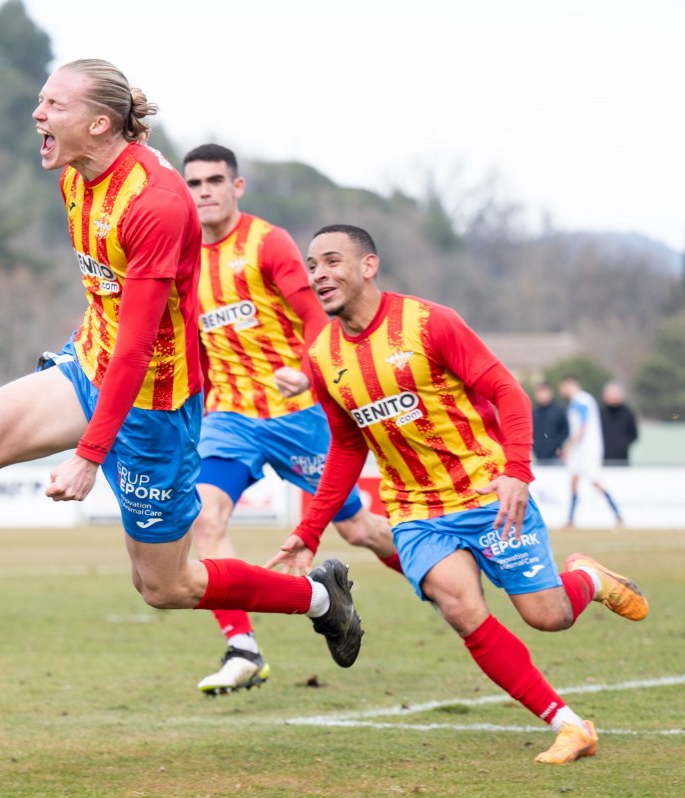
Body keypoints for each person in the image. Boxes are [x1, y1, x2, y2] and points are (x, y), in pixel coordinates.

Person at [0, 59, 362, 690]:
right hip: (90, 364)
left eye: (54, 105)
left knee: (166, 586)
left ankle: (321, 599)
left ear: (100, 124)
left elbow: (137, 349)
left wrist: (88, 454)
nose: (37, 114)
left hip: (152, 404)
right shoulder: (76, 174)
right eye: (41, 101)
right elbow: (112, 319)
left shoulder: (156, 205)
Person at [268, 224, 649, 765]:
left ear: (369, 265)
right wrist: (307, 532)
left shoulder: (429, 323)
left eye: (332, 261)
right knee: (460, 607)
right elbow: (347, 448)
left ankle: (588, 578)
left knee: (547, 615)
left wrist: (517, 469)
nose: (319, 275)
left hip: (487, 492)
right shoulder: (323, 356)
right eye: (312, 265)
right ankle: (568, 725)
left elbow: (506, 391)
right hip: (416, 512)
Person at [183, 144, 399, 695]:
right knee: (204, 521)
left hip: (298, 415)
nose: (203, 190)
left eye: (214, 180)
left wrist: (307, 373)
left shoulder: (267, 242)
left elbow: (314, 317)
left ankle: (443, 574)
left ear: (237, 187)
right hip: (229, 416)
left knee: (359, 529)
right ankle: (243, 648)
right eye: (194, 183)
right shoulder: (183, 257)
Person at [558, 376, 623, 528]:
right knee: (573, 481)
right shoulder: (579, 401)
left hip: (586, 449)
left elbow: (582, 426)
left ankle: (618, 515)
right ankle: (570, 520)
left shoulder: (581, 400)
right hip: (581, 449)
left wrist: (568, 447)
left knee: (595, 481)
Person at [600, 381, 639, 465]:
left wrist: (622, 445)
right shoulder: (599, 414)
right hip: (602, 459)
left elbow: (633, 435)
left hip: (622, 458)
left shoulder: (628, 414)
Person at [531, 383, 569, 465]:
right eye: (540, 393)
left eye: (545, 393)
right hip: (536, 457)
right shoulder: (532, 412)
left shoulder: (558, 411)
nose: (542, 396)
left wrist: (559, 446)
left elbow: (565, 431)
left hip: (555, 457)